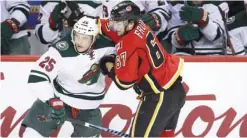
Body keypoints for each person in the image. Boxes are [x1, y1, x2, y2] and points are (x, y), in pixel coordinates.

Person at [99, 1, 186, 137]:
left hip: (159, 96)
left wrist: (109, 65)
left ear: (130, 23)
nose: (115, 27)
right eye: (113, 22)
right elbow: (117, 32)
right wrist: (99, 24)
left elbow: (124, 82)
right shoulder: (140, 25)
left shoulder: (128, 44)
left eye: (118, 23)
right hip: (176, 91)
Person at [21, 16, 115, 137]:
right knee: (32, 134)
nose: (79, 41)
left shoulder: (107, 46)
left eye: (85, 38)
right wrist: (51, 100)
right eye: (77, 36)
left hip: (89, 108)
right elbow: (37, 77)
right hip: (59, 100)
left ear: (94, 38)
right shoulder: (61, 49)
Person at [34, 1, 102, 45]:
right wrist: (52, 25)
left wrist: (80, 19)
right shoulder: (49, 2)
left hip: (88, 56)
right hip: (57, 54)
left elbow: (103, 38)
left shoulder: (96, 3)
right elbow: (42, 38)